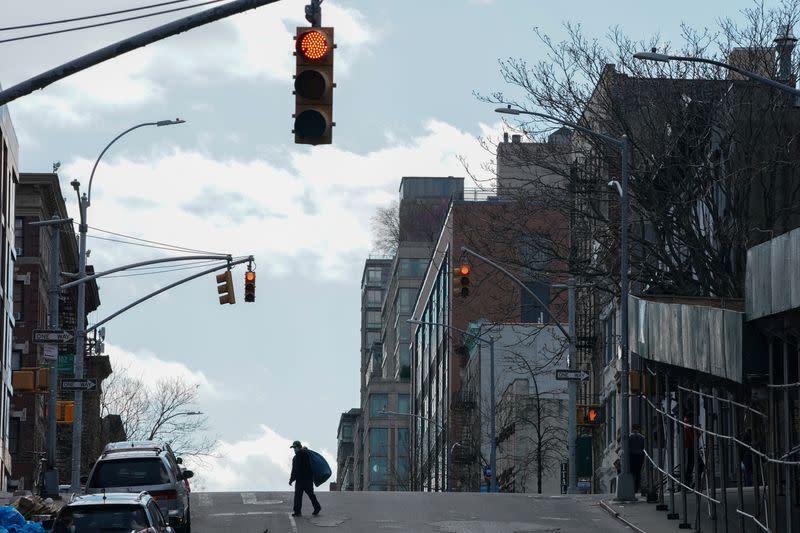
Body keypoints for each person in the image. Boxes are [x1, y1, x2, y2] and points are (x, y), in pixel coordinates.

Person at [289, 440, 321, 517]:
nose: (294, 449)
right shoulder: (300, 456)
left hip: (305, 479)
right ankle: (316, 508)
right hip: (303, 479)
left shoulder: (302, 454)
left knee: (303, 495)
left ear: (299, 447)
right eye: (293, 448)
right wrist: (292, 479)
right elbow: (294, 470)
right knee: (301, 495)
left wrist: (291, 479)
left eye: (295, 447)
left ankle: (298, 511)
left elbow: (295, 469)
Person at [629, 424, 645, 493]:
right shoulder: (642, 437)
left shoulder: (629, 437)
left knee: (632, 472)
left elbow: (628, 447)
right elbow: (643, 447)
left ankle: (632, 487)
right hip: (639, 456)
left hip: (632, 456)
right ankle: (637, 487)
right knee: (638, 472)